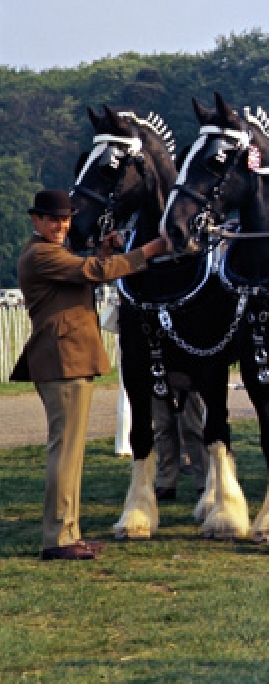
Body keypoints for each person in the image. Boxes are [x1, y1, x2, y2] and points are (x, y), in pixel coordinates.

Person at [11, 189, 169, 560]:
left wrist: (104, 254)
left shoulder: (52, 253)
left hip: (70, 360)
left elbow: (85, 273)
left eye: (65, 220)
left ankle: (69, 533)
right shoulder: (40, 254)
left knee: (71, 453)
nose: (61, 225)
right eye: (53, 220)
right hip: (61, 360)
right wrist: (147, 251)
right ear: (36, 221)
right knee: (64, 453)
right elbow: (91, 272)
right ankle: (58, 539)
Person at [152, 387, 207, 501]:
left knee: (192, 426)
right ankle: (166, 482)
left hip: (187, 376)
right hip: (157, 375)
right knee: (162, 426)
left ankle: (204, 481)